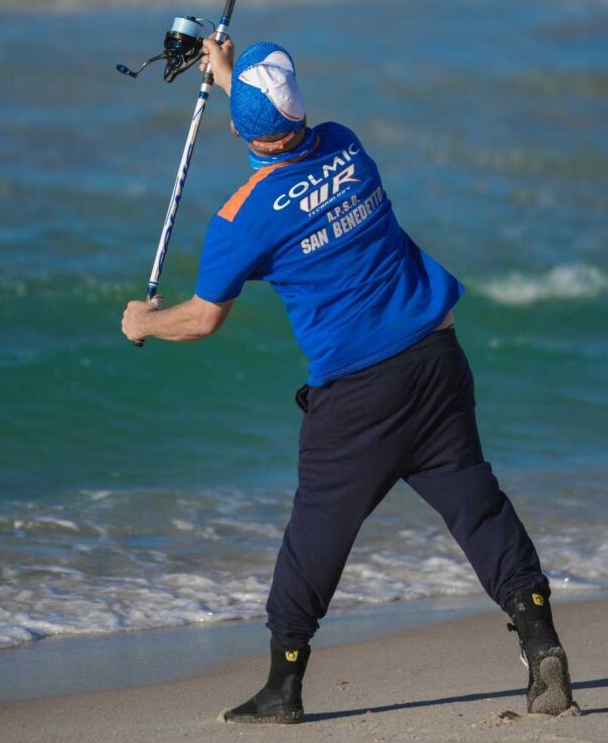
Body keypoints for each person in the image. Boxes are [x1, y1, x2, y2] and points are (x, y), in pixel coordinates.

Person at [121, 36, 574, 724]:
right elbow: (281, 141)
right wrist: (229, 73)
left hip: (360, 397)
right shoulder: (345, 145)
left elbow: (204, 319)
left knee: (316, 537)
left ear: (240, 130)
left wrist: (145, 323)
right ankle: (541, 640)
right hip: (437, 359)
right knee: (476, 505)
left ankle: (283, 688)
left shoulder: (241, 218)